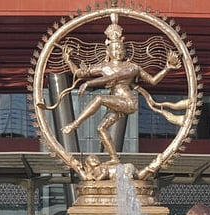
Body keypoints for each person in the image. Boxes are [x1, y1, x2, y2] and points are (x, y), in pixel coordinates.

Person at [61, 13, 180, 162]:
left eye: (120, 49)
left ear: (125, 51)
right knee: (100, 129)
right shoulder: (103, 66)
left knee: (99, 98)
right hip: (116, 104)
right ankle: (114, 159)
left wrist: (167, 68)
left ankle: (75, 124)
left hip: (128, 102)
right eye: (115, 49)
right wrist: (68, 61)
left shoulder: (131, 67)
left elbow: (151, 80)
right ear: (108, 51)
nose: (118, 52)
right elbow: (80, 73)